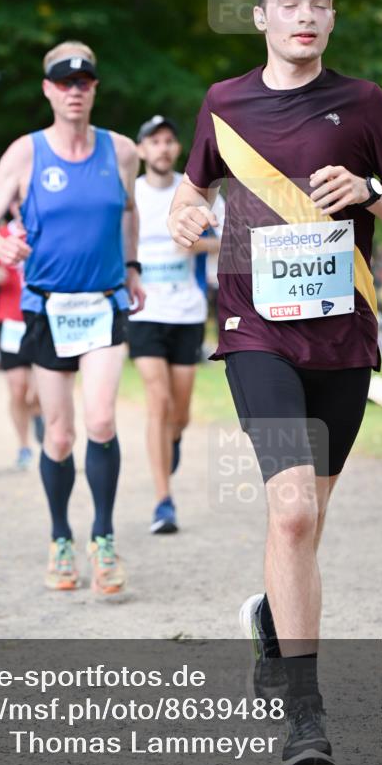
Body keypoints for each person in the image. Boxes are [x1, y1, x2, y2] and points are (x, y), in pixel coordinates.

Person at [168, 0, 382, 765]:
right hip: (252, 328)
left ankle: (273, 619)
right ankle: (304, 717)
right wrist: (184, 211)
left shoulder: (365, 104)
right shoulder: (222, 102)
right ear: (262, 18)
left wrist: (369, 191)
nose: (304, 15)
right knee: (294, 513)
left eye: (318, 4)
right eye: (287, 3)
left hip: (343, 334)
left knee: (304, 520)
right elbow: (190, 191)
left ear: (331, 19)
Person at [0, 40, 144, 595]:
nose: (75, 90)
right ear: (47, 89)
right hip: (46, 306)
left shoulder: (121, 151)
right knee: (61, 434)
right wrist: (1, 247)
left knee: (99, 421)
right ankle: (59, 538)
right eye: (63, 81)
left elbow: (130, 212)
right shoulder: (24, 154)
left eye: (84, 81)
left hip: (104, 302)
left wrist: (134, 267)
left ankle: (103, 538)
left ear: (95, 88)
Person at [129, 115, 222, 534]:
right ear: (142, 151)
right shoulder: (130, 195)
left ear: (176, 149)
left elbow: (229, 238)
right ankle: (163, 501)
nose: (163, 148)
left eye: (169, 141)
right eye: (155, 141)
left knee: (179, 414)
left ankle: (175, 440)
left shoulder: (198, 192)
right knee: (158, 400)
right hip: (144, 313)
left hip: (186, 314)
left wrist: (193, 240)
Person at [0, 203, 44, 470]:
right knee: (18, 390)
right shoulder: (1, 235)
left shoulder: (47, 230)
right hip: (12, 321)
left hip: (43, 320)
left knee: (39, 393)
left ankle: (39, 413)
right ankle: (24, 446)